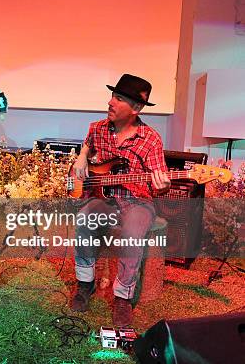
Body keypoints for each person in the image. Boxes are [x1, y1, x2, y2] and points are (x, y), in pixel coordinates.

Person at [70, 74, 170, 327]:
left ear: (136, 108)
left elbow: (158, 186)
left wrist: (163, 185)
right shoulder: (97, 128)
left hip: (137, 200)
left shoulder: (151, 139)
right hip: (103, 198)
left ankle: (123, 298)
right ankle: (85, 283)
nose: (111, 102)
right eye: (113, 95)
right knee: (84, 220)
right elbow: (88, 145)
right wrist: (82, 157)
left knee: (132, 235)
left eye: (119, 99)